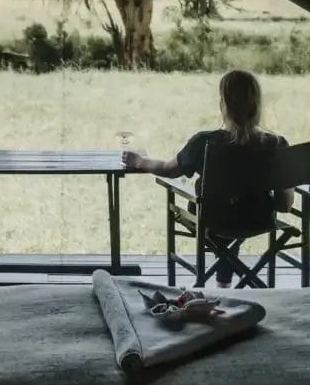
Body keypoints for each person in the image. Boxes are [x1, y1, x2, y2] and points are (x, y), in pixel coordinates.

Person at [122, 69, 293, 288]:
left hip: (212, 219)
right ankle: (226, 282)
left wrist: (140, 162)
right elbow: (285, 205)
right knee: (238, 207)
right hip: (258, 219)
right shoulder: (276, 145)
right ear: (257, 104)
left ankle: (223, 281)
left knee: (222, 211)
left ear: (224, 104)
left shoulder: (205, 142)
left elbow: (169, 169)